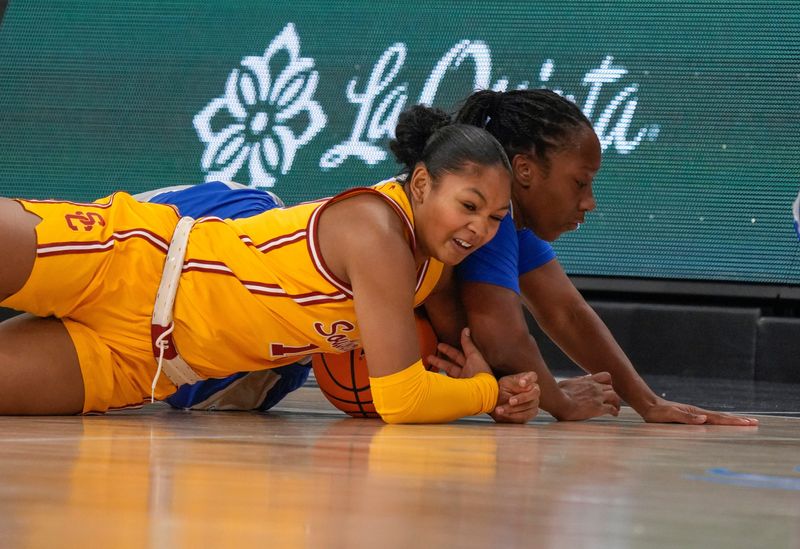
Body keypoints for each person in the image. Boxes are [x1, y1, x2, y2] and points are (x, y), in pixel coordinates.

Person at [0, 105, 540, 424]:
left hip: (145, 363)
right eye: (469, 206)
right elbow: (401, 399)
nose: (481, 229)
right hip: (132, 263)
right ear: (421, 183)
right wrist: (489, 392)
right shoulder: (376, 232)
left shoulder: (433, 266)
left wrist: (499, 387)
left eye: (495, 217)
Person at [426, 89, 758, 426]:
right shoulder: (491, 222)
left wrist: (648, 402)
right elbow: (504, 343)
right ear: (524, 170)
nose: (589, 202)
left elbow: (567, 313)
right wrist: (561, 402)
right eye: (580, 183)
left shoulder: (508, 221)